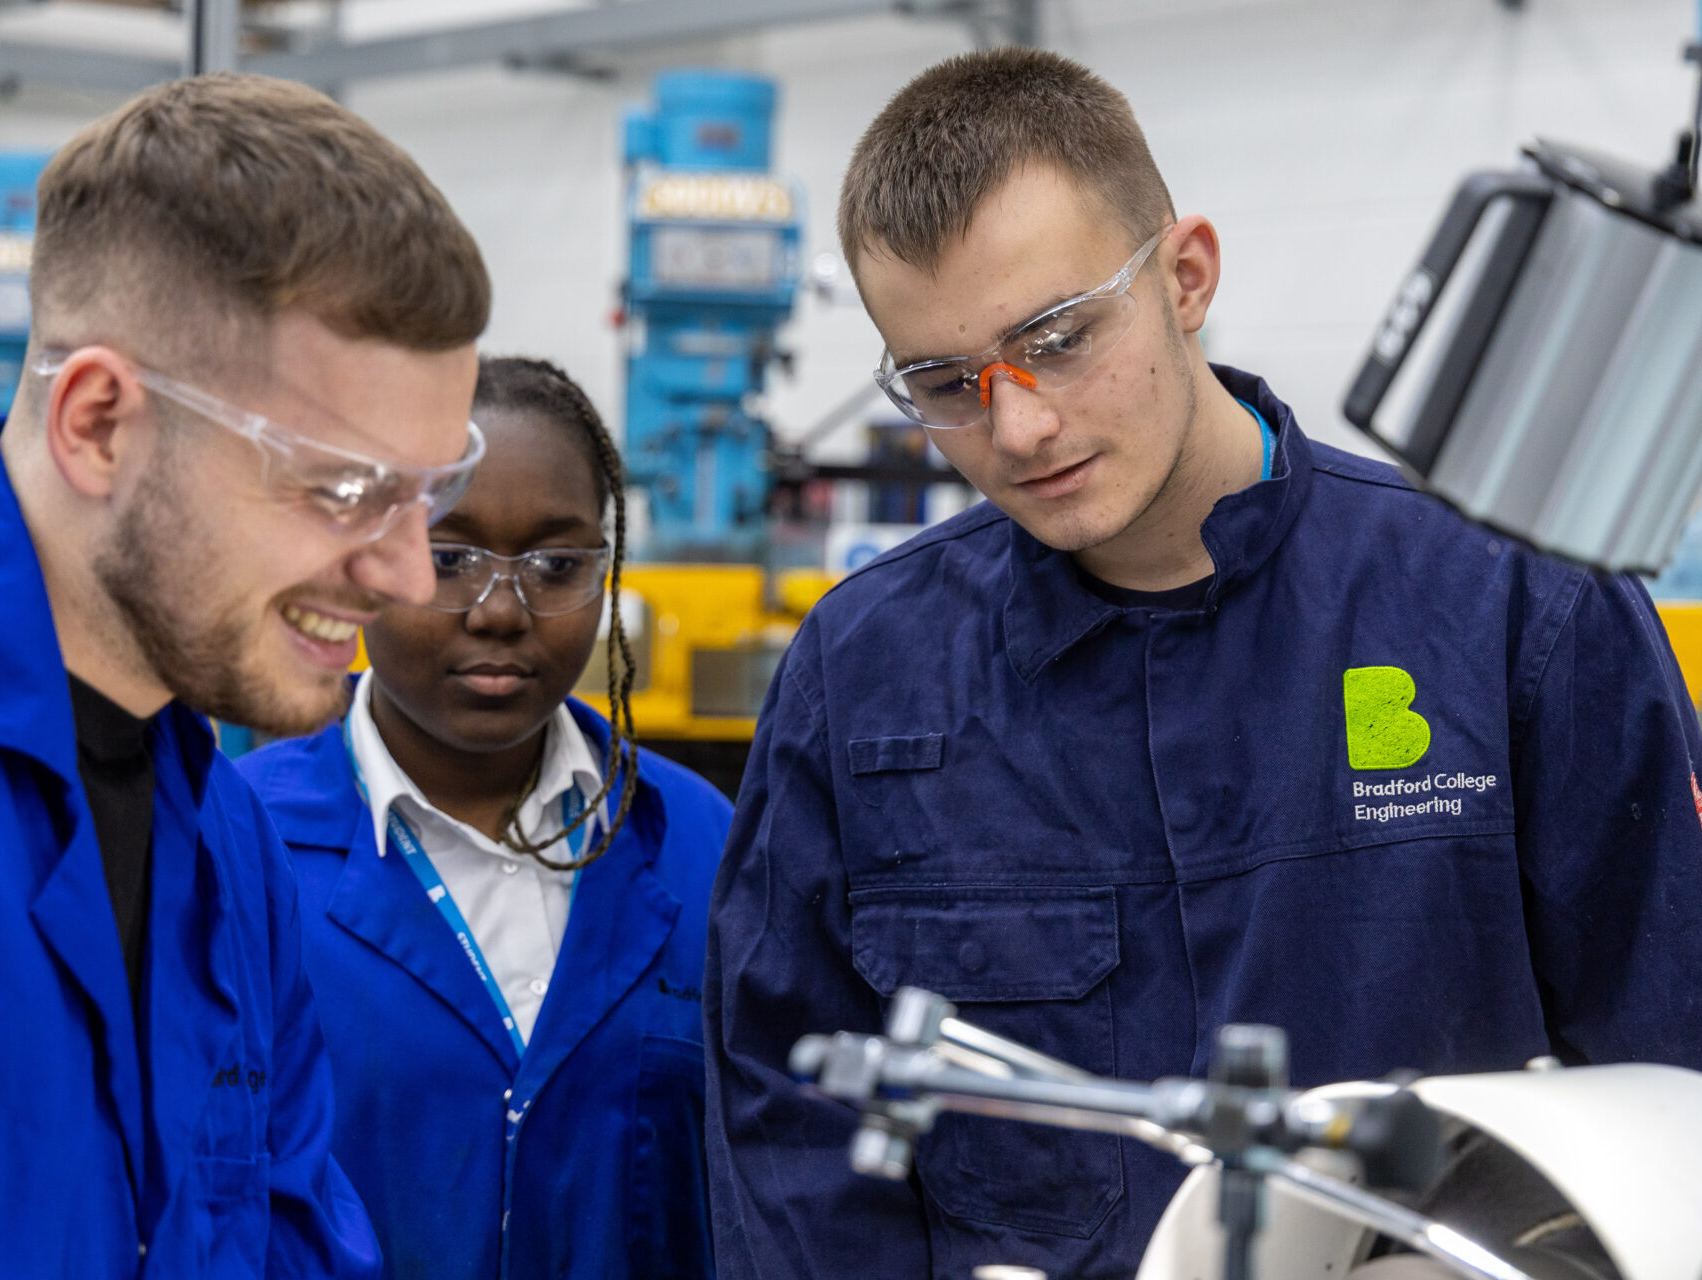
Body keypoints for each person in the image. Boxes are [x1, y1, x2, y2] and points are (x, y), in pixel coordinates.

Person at [704, 47, 1702, 1280]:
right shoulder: (864, 680)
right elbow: (792, 1145)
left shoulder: (1512, 604)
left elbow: (1672, 1085)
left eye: (1057, 338)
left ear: (1186, 276)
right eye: (945, 382)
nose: (1018, 426)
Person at [0, 73, 492, 1276]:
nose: (412, 575)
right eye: (345, 488)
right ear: (101, 422)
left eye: (429, 494)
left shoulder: (223, 831)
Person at [238, 356, 734, 1280]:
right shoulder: (238, 845)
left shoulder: (700, 845)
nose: (503, 611)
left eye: (555, 565)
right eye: (449, 558)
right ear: (369, 552)